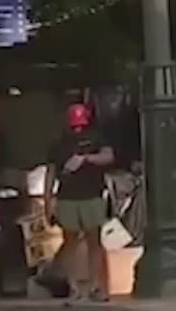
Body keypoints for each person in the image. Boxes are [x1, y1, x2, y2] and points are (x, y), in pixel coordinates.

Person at [44, 103, 115, 303]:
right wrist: (48, 198)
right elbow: (51, 172)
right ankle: (74, 286)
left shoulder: (97, 137)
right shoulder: (59, 142)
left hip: (92, 194)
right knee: (70, 242)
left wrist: (85, 159)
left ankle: (94, 285)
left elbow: (108, 156)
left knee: (94, 241)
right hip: (67, 197)